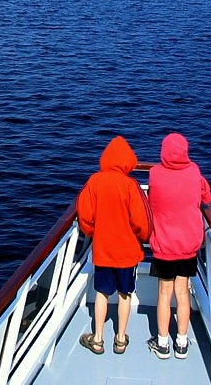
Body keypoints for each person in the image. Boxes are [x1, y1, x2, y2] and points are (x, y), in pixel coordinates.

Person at [76, 135, 152, 356]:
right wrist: (143, 237)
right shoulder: (131, 185)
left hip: (103, 249)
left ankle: (98, 339)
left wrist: (93, 233)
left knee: (101, 292)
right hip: (128, 252)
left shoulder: (94, 182)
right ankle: (120, 339)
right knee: (125, 294)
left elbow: (85, 216)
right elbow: (143, 222)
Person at [146, 132, 211, 360]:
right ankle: (182, 343)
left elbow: (152, 201)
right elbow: (206, 196)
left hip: (164, 244)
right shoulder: (194, 172)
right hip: (187, 244)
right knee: (182, 293)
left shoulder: (155, 174)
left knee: (164, 294)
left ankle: (162, 343)